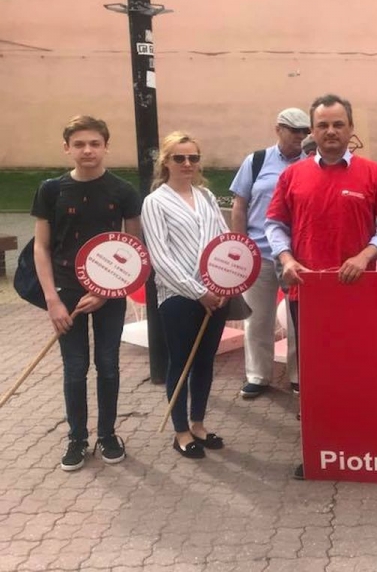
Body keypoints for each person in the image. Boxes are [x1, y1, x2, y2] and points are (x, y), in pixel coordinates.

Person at [265, 93, 377, 480]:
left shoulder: (371, 174)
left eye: (338, 124)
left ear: (351, 129)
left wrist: (365, 255)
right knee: (315, 375)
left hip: (358, 291)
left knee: (358, 368)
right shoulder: (292, 176)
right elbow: (274, 224)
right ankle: (320, 449)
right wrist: (286, 258)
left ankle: (362, 444)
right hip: (308, 293)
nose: (330, 131)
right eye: (323, 125)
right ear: (312, 130)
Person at [31, 115, 142, 471]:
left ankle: (107, 434)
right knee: (75, 367)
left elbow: (134, 248)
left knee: (107, 365)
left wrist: (106, 292)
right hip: (65, 292)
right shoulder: (51, 190)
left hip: (110, 293)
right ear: (67, 148)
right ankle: (77, 437)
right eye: (79, 144)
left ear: (106, 146)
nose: (87, 150)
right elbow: (41, 247)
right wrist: (52, 300)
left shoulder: (123, 191)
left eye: (95, 143)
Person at [142, 132, 231, 460]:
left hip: (216, 294)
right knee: (180, 362)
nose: (187, 163)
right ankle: (180, 431)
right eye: (179, 158)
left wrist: (225, 284)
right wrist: (198, 291)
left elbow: (224, 239)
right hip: (178, 296)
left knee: (205, 360)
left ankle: (198, 424)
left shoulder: (206, 196)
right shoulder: (155, 202)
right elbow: (160, 257)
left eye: (193, 157)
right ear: (166, 162)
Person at [230, 108, 309, 399]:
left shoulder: (311, 163)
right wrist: (241, 246)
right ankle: (258, 375)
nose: (300, 136)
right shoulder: (256, 161)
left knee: (298, 319)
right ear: (278, 129)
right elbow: (240, 205)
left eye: (304, 131)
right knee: (257, 317)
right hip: (260, 252)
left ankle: (299, 375)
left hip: (296, 257)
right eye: (294, 130)